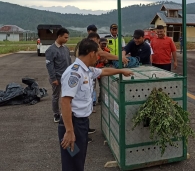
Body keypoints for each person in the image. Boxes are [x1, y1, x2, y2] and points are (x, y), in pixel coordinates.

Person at [58, 39, 133, 171]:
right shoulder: (74, 73)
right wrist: (69, 131)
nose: (99, 57)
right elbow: (65, 102)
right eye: (98, 53)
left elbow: (104, 71)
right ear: (92, 53)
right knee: (72, 163)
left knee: (78, 160)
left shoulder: (86, 70)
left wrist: (121, 71)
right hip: (73, 123)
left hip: (81, 123)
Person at [45, 28, 72, 123]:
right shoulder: (51, 50)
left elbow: (69, 62)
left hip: (67, 78)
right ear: (59, 36)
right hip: (57, 78)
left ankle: (68, 112)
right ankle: (56, 114)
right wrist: (53, 78)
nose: (66, 39)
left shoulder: (66, 49)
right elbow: (49, 65)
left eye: (67, 38)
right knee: (56, 96)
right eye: (65, 37)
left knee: (68, 96)